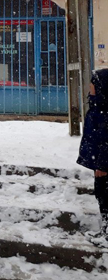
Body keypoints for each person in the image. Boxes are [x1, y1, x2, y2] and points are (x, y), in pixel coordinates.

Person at [77, 69, 108, 248]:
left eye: (93, 86)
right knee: (102, 196)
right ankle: (105, 230)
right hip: (101, 163)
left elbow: (106, 141)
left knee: (105, 197)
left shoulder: (105, 111)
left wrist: (103, 165)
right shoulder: (99, 105)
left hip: (104, 165)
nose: (90, 89)